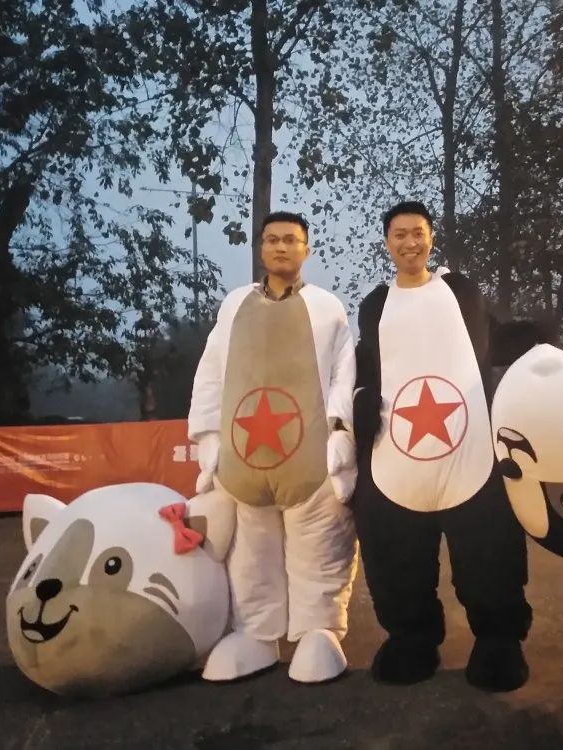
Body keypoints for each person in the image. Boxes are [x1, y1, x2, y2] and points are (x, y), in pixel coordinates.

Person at [351, 201, 538, 693]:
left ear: (431, 237)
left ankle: (498, 637)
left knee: (488, 548)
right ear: (387, 242)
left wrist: (538, 348)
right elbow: (364, 362)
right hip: (395, 451)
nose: (409, 242)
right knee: (395, 551)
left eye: (418, 232)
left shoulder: (461, 291)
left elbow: (491, 341)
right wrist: (359, 397)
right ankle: (411, 636)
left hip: (470, 446)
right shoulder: (375, 305)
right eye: (399, 234)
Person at [188, 211, 358, 684]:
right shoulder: (234, 305)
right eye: (272, 239)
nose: (281, 247)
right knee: (249, 555)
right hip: (243, 461)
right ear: (261, 247)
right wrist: (208, 435)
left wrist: (341, 432)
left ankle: (318, 631)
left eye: (291, 240)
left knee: (319, 547)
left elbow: (344, 373)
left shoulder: (327, 308)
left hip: (311, 460)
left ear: (306, 248)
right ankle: (255, 633)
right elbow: (211, 372)